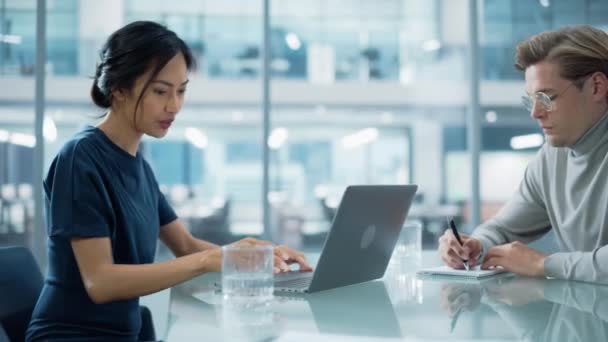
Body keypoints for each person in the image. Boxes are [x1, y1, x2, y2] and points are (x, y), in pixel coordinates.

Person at [26, 21, 312, 341]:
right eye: (161, 91)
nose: (174, 106)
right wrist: (209, 260)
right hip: (72, 336)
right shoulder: (80, 158)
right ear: (118, 88)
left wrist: (257, 256)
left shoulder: (140, 169)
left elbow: (186, 246)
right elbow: (101, 282)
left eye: (181, 91)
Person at [438, 25, 608, 284]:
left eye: (547, 97)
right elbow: (503, 228)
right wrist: (475, 246)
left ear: (596, 87)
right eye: (531, 100)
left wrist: (544, 264)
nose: (535, 112)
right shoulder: (552, 157)